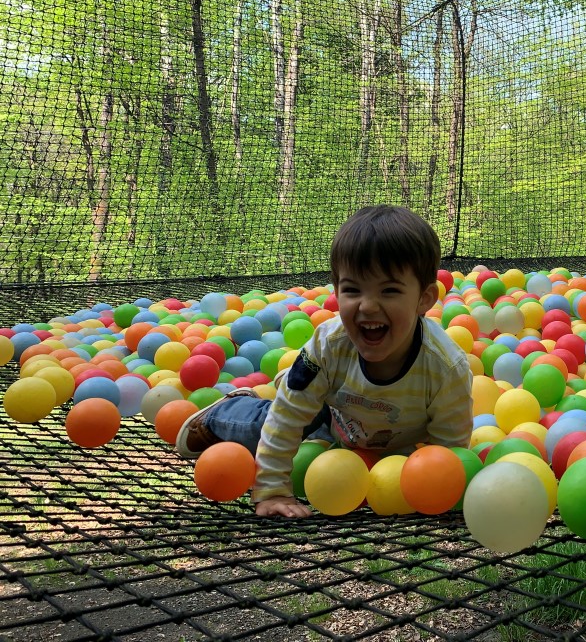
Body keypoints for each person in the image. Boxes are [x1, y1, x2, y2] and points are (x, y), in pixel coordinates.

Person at [175, 205, 474, 518]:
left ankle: (296, 391)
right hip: (332, 413)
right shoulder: (327, 346)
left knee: (319, 425)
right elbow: (287, 417)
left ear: (425, 298)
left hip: (368, 435)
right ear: (337, 291)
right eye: (352, 289)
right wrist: (273, 489)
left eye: (389, 290)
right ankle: (224, 413)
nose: (368, 306)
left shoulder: (445, 367)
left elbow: (448, 452)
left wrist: (432, 491)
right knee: (277, 421)